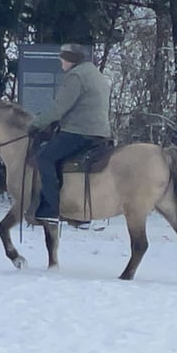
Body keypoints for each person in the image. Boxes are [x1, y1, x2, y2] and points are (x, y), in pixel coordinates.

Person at [27, 43, 112, 224]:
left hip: (79, 131)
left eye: (62, 59)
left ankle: (52, 209)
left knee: (45, 157)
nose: (61, 62)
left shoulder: (76, 76)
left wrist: (36, 124)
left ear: (71, 60)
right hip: (100, 132)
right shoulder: (95, 74)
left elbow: (59, 107)